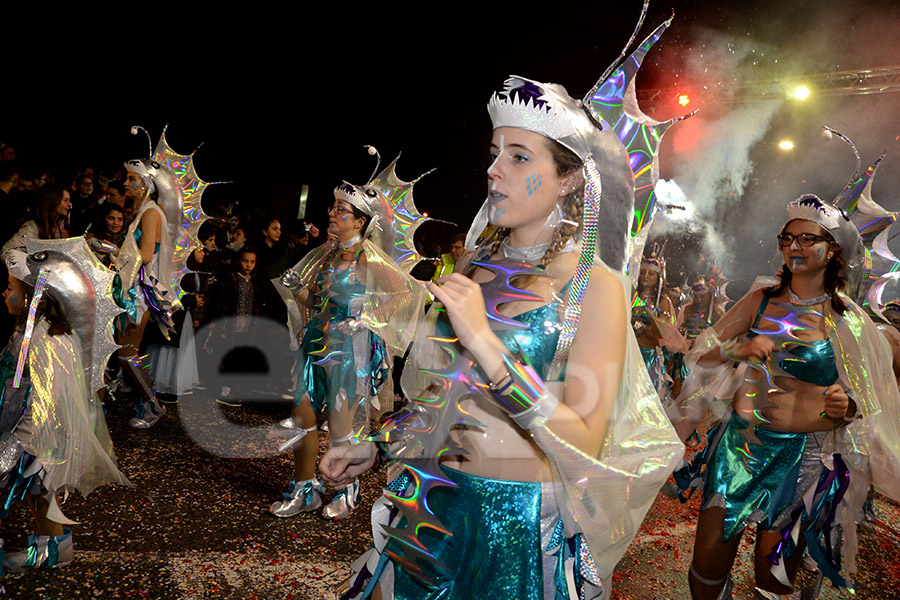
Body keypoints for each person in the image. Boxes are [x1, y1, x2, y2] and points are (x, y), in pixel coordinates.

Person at [321, 25, 685, 597]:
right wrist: (379, 444)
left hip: (511, 524)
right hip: (426, 503)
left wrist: (488, 346)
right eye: (495, 155)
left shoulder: (596, 286)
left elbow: (586, 438)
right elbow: (441, 395)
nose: (494, 171)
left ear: (569, 180)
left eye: (519, 157)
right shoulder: (474, 264)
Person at [667, 194, 900, 599]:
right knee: (705, 568)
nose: (795, 246)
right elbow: (701, 352)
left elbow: (871, 395)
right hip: (740, 451)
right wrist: (735, 349)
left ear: (833, 252)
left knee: (772, 581)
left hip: (804, 462)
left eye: (808, 239)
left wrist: (848, 407)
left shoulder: (848, 319)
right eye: (788, 238)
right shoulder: (759, 301)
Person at [271, 151, 429, 521]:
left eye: (341, 211)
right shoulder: (326, 256)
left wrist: (367, 319)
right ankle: (305, 488)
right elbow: (314, 304)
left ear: (361, 221)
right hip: (317, 342)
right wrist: (297, 289)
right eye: (333, 208)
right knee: (302, 414)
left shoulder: (368, 259)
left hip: (349, 348)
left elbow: (405, 296)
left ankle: (346, 488)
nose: (331, 214)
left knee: (342, 426)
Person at [0, 242, 130, 572]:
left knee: (38, 488)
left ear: (31, 297)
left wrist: (18, 444)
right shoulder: (29, 332)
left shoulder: (44, 339)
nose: (3, 293)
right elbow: (19, 381)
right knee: (40, 493)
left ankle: (53, 549)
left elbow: (46, 398)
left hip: (38, 434)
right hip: (33, 430)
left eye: (10, 287)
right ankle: (54, 548)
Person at [1, 184, 73, 262]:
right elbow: (6, 252)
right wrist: (31, 265)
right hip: (42, 273)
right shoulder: (33, 227)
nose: (70, 204)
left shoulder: (64, 225)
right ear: (52, 201)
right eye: (65, 200)